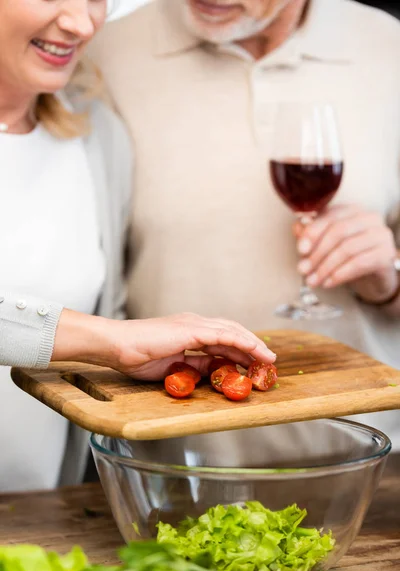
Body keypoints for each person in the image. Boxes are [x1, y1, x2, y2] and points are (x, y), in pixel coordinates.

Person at [90, 0, 400, 448]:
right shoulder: (102, 52)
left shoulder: (388, 47)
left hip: (367, 454)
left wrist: (389, 280)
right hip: (169, 457)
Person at [0, 0, 275, 493]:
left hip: (37, 515)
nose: (82, 23)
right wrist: (109, 340)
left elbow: (107, 308)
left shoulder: (96, 134)